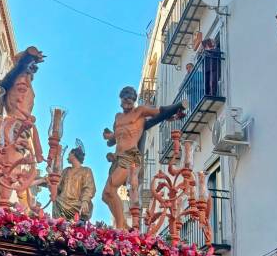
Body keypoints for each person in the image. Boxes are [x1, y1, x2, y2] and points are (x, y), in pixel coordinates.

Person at [102, 86, 186, 229]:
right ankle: (124, 226)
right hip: (117, 157)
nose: (127, 103)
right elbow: (115, 137)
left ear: (134, 101)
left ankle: (121, 226)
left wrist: (174, 114)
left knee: (111, 189)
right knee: (105, 195)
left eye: (130, 100)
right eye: (125, 100)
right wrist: (108, 136)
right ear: (121, 100)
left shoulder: (140, 111)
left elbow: (160, 112)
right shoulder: (118, 117)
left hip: (130, 156)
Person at [53, 140, 96, 221]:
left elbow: (89, 187)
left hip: (77, 204)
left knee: (82, 212)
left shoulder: (86, 170)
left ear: (74, 155)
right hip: (61, 202)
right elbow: (57, 185)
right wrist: (49, 181)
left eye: (69, 154)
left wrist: (85, 201)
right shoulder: (66, 170)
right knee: (56, 200)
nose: (67, 157)